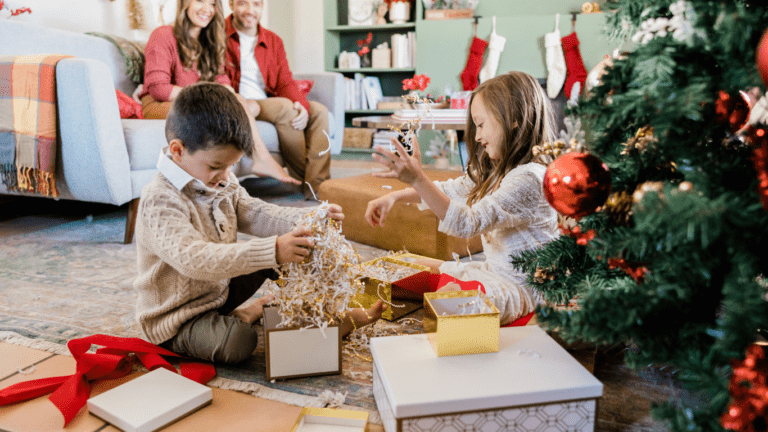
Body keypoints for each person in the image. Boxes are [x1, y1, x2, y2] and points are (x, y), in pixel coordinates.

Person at [134, 82, 384, 363]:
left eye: (231, 166)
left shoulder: (221, 182)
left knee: (300, 245)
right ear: (177, 151)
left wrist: (307, 218)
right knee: (240, 342)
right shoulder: (160, 199)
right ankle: (244, 314)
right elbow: (194, 258)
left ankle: (328, 318)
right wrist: (273, 250)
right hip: (177, 318)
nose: (225, 175)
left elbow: (254, 212)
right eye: (216, 166)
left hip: (216, 291)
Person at [364, 72, 560, 325]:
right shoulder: (498, 168)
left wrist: (417, 179)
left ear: (513, 120)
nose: (477, 137)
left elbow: (468, 224)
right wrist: (394, 197)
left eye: (481, 124)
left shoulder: (529, 179)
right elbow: (451, 190)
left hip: (523, 290)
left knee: (447, 300)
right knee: (409, 263)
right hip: (493, 272)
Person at [140, 0, 297, 185]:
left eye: (213, 3)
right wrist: (209, 97)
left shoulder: (211, 40)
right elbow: (159, 89)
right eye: (200, 1)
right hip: (162, 104)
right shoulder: (163, 35)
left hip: (197, 102)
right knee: (232, 109)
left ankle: (230, 175)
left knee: (247, 105)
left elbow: (222, 80)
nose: (207, 9)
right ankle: (261, 158)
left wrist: (232, 98)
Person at [224, 0, 331, 199]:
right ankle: (302, 179)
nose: (250, 11)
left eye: (256, 4)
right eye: (242, 4)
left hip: (268, 99)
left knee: (320, 111)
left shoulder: (273, 40)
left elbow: (285, 81)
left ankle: (318, 186)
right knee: (286, 108)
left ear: (262, 6)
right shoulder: (218, 36)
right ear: (231, 4)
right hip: (243, 102)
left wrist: (302, 104)